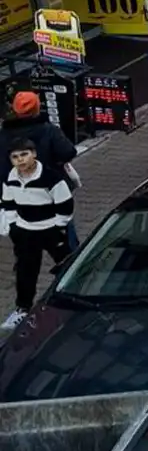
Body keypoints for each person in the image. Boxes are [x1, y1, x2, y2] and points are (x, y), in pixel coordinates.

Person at [1, 139, 75, 328]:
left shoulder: (51, 178)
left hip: (51, 230)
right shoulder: (10, 178)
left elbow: (65, 204)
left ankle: (72, 302)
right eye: (15, 157)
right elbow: (8, 202)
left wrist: (59, 226)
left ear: (34, 154)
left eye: (24, 155)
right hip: (26, 231)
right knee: (26, 271)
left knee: (66, 264)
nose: (20, 160)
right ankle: (22, 309)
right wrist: (13, 225)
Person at [0, 90, 77, 170]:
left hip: (13, 179)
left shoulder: (4, 134)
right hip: (48, 177)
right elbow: (68, 153)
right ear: (37, 108)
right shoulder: (49, 130)